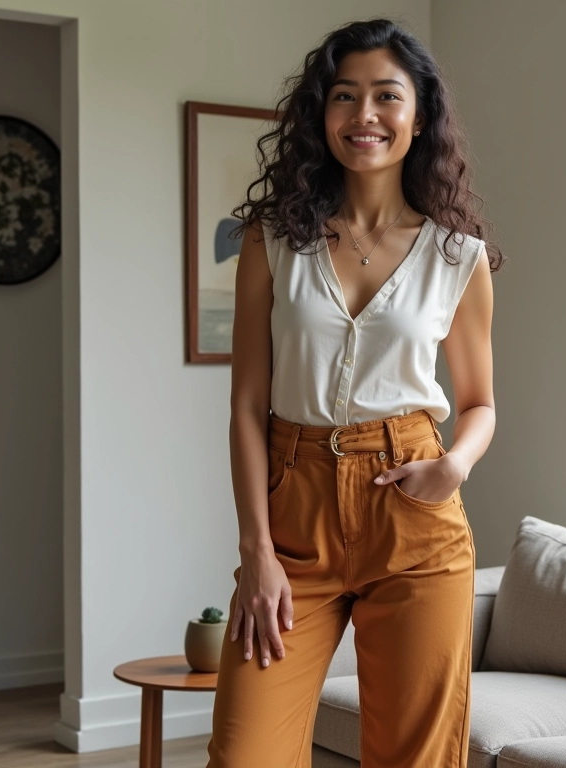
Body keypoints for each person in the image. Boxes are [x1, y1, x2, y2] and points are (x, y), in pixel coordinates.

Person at [206, 16, 505, 768]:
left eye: (386, 95)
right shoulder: (271, 239)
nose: (364, 114)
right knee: (245, 755)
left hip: (413, 510)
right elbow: (246, 405)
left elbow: (479, 403)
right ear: (322, 113)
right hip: (294, 510)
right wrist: (256, 551)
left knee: (415, 757)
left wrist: (454, 465)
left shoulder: (457, 257)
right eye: (344, 95)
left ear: (420, 115)